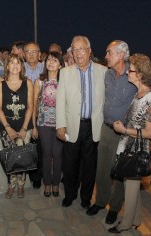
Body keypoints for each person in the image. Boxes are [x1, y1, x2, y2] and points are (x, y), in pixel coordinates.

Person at [86, 40, 137, 225]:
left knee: (119, 173)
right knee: (102, 171)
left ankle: (114, 208)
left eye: (109, 53)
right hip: (106, 129)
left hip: (124, 133)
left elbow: (147, 94)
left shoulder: (134, 75)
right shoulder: (107, 74)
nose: (106, 56)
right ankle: (100, 201)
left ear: (121, 55)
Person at [56, 35, 107, 209]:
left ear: (89, 51)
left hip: (94, 127)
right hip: (71, 126)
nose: (77, 53)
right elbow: (60, 101)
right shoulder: (65, 72)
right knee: (69, 165)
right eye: (74, 49)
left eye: (81, 49)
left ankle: (86, 197)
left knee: (89, 166)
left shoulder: (103, 71)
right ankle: (70, 195)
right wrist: (60, 125)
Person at [108, 53, 151, 233]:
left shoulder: (150, 99)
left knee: (131, 188)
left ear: (141, 75)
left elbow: (150, 133)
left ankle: (125, 224)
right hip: (128, 146)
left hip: (136, 149)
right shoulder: (139, 93)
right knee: (131, 186)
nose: (128, 71)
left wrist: (124, 130)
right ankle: (135, 220)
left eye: (132, 70)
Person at [0, 53, 33, 199]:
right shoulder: (1, 84)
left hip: (24, 125)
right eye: (12, 63)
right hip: (7, 127)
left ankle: (21, 185)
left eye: (18, 63)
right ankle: (11, 184)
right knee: (10, 158)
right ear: (7, 66)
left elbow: (30, 106)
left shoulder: (27, 83)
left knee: (23, 158)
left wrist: (24, 129)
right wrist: (8, 128)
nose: (15, 66)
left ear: (21, 66)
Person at [32, 51, 65, 197]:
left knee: (57, 155)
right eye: (49, 60)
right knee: (46, 154)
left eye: (55, 60)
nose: (51, 62)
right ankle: (47, 183)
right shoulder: (39, 81)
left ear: (60, 65)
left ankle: (56, 183)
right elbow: (33, 105)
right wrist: (33, 125)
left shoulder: (64, 81)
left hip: (60, 124)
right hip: (43, 123)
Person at [24, 42, 44, 189]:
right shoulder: (18, 69)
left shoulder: (46, 68)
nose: (31, 54)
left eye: (34, 51)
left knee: (39, 147)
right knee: (26, 146)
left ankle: (37, 176)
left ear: (39, 54)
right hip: (24, 114)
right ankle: (26, 175)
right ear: (24, 54)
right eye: (28, 52)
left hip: (41, 113)